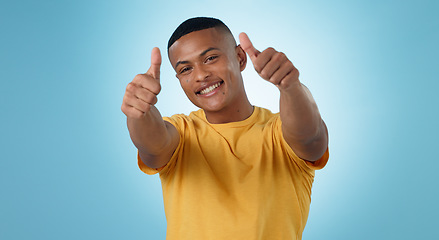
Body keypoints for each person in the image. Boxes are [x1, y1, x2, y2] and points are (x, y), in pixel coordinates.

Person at [121, 17, 329, 240]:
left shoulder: (279, 132)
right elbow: (152, 146)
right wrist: (138, 112)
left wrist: (291, 87)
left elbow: (311, 138)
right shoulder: (182, 133)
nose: (200, 75)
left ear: (239, 58)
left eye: (210, 58)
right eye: (185, 69)